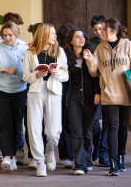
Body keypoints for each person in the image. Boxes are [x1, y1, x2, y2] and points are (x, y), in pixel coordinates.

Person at [84, 18, 131, 176]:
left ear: (113, 31)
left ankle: (121, 157)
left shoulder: (128, 45)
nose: (101, 32)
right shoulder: (100, 48)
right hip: (108, 94)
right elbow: (94, 72)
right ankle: (113, 162)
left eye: (104, 29)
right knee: (113, 126)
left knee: (123, 127)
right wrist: (90, 60)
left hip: (126, 93)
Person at [23, 23, 69, 177]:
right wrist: (36, 75)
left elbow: (65, 76)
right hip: (36, 92)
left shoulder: (60, 52)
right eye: (52, 33)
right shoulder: (30, 53)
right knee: (34, 128)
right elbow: (25, 77)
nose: (55, 36)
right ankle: (40, 162)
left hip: (54, 92)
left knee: (54, 132)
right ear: (44, 35)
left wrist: (56, 73)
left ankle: (49, 150)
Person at [0, 21, 27, 172]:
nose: (7, 38)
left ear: (16, 34)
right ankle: (6, 156)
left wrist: (16, 72)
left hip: (19, 90)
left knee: (17, 124)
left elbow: (28, 72)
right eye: (4, 35)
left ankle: (13, 156)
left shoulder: (25, 49)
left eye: (10, 35)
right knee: (4, 124)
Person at [63, 28, 100, 175]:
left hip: (90, 97)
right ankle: (79, 164)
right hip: (73, 98)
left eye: (83, 36)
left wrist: (98, 93)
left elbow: (97, 75)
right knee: (77, 131)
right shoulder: (66, 57)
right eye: (77, 37)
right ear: (71, 41)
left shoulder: (91, 55)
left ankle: (87, 160)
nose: (81, 39)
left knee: (87, 131)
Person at [24, 23, 46, 170]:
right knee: (31, 125)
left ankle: (47, 152)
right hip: (31, 91)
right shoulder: (28, 50)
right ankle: (34, 156)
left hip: (49, 92)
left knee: (48, 128)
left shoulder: (56, 50)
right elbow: (25, 75)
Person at [89, 15, 110, 167]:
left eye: (101, 29)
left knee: (109, 120)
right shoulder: (90, 43)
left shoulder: (112, 41)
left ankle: (103, 151)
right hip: (96, 84)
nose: (98, 32)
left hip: (111, 86)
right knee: (95, 120)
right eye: (95, 30)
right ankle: (97, 143)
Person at [56, 23, 75, 168]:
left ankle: (65, 156)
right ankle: (66, 156)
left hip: (66, 94)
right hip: (62, 93)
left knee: (63, 125)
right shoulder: (59, 52)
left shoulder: (73, 52)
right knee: (64, 125)